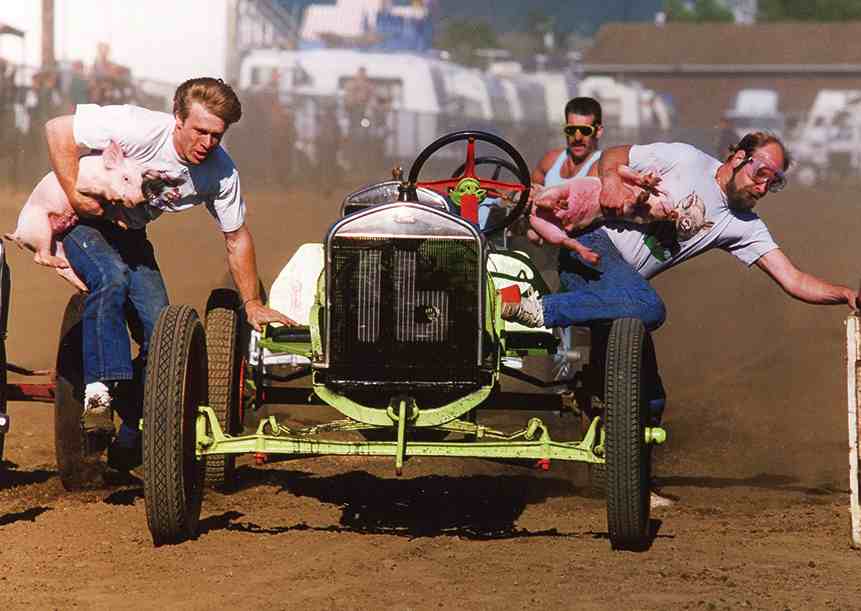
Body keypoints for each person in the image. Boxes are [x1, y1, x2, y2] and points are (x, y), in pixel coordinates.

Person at [504, 130, 860, 412]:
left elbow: (794, 280)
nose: (763, 187)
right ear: (739, 158)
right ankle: (536, 310)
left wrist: (846, 294)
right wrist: (611, 181)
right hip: (591, 251)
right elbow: (615, 154)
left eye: (774, 182)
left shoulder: (745, 226)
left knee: (651, 401)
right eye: (761, 173)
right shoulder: (686, 159)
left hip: (622, 291)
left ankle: (623, 465)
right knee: (650, 307)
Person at [46, 77, 295, 472]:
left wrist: (251, 302)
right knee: (111, 278)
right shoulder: (138, 127)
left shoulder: (221, 172)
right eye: (200, 131)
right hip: (80, 223)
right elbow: (57, 129)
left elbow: (236, 237)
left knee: (163, 334)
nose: (207, 143)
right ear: (177, 118)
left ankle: (133, 427)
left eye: (217, 135)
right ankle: (98, 396)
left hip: (130, 234)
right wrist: (77, 197)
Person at [530, 97, 604, 380]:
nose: (577, 137)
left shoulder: (599, 166)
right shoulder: (551, 161)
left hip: (580, 248)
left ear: (598, 131)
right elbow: (531, 190)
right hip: (543, 249)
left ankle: (569, 365)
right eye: (571, 130)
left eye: (585, 131)